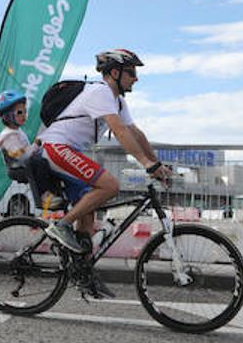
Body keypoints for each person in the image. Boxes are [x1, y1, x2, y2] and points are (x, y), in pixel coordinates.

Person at [37, 49, 173, 257]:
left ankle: (81, 270)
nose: (136, 79)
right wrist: (146, 164)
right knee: (110, 185)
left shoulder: (118, 100)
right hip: (56, 147)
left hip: (69, 150)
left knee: (87, 212)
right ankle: (61, 226)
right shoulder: (100, 92)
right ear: (114, 73)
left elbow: (136, 133)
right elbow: (119, 130)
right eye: (131, 72)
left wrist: (156, 164)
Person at [0, 89, 61, 211]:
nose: (24, 115)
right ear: (7, 116)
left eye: (25, 111)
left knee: (51, 166)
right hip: (19, 168)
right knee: (41, 163)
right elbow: (22, 156)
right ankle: (45, 197)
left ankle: (56, 195)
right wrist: (36, 145)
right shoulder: (8, 137)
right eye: (19, 112)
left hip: (24, 164)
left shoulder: (16, 132)